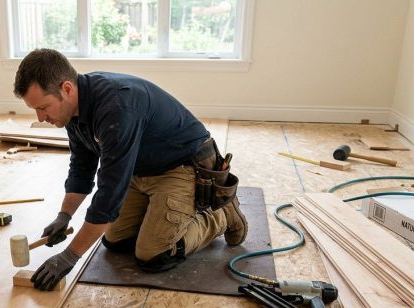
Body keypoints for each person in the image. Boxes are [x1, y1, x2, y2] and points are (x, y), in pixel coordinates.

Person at [13, 48, 247, 291]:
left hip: (182, 166)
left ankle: (220, 215)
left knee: (153, 254)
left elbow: (110, 192)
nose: (40, 118)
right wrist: (65, 216)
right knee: (115, 240)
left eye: (43, 107)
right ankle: (157, 210)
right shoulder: (72, 111)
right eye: (35, 110)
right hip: (141, 169)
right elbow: (82, 167)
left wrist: (70, 255)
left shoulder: (116, 107)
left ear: (67, 89)